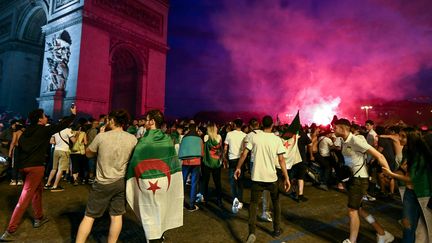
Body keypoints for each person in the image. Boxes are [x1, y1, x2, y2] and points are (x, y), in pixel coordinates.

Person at [0, 106, 76, 241]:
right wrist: (73, 115)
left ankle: (39, 218)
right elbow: (61, 125)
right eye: (44, 116)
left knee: (37, 192)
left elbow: (21, 147)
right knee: (24, 199)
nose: (46, 117)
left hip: (24, 167)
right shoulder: (44, 130)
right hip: (36, 168)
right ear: (40, 120)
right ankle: (10, 231)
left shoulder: (25, 131)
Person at [75, 110, 137, 243]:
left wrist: (101, 136)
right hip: (120, 182)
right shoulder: (132, 139)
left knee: (89, 216)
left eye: (109, 119)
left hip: (102, 182)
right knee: (116, 216)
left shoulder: (101, 137)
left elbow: (88, 154)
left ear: (113, 121)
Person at [126, 109, 183, 242]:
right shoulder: (167, 139)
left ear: (152, 122)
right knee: (161, 208)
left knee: (149, 213)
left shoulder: (144, 141)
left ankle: (154, 238)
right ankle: (159, 235)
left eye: (146, 119)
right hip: (164, 182)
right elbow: (172, 160)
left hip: (147, 182)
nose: (145, 122)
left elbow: (136, 161)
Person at [333, 119, 394, 243]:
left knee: (352, 210)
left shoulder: (356, 140)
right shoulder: (343, 141)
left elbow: (379, 155)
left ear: (343, 128)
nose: (333, 129)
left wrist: (389, 173)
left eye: (336, 127)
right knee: (358, 209)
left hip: (359, 180)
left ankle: (352, 241)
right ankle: (382, 233)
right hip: (352, 179)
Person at [234, 115, 290, 243]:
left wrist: (238, 168)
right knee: (276, 203)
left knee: (253, 204)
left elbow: (244, 154)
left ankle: (252, 232)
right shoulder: (276, 140)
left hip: (257, 178)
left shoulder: (254, 137)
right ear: (272, 125)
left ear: (261, 125)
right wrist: (286, 177)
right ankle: (276, 229)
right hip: (272, 178)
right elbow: (281, 160)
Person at [178, 123, 204, 211]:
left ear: (189, 129)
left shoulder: (184, 138)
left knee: (183, 182)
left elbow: (181, 150)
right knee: (194, 183)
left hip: (185, 162)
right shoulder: (199, 138)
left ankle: (180, 202)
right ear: (196, 129)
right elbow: (202, 152)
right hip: (196, 162)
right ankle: (192, 205)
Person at [223, 118, 246, 213]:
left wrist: (224, 157)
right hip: (241, 159)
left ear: (235, 125)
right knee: (240, 181)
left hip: (232, 159)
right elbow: (245, 149)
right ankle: (240, 200)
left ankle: (235, 199)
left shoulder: (229, 134)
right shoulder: (245, 135)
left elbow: (225, 147)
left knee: (233, 181)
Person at [199, 122, 223, 207]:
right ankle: (219, 199)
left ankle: (205, 198)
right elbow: (220, 150)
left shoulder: (206, 137)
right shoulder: (219, 137)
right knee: (217, 182)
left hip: (207, 162)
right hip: (217, 162)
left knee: (205, 181)